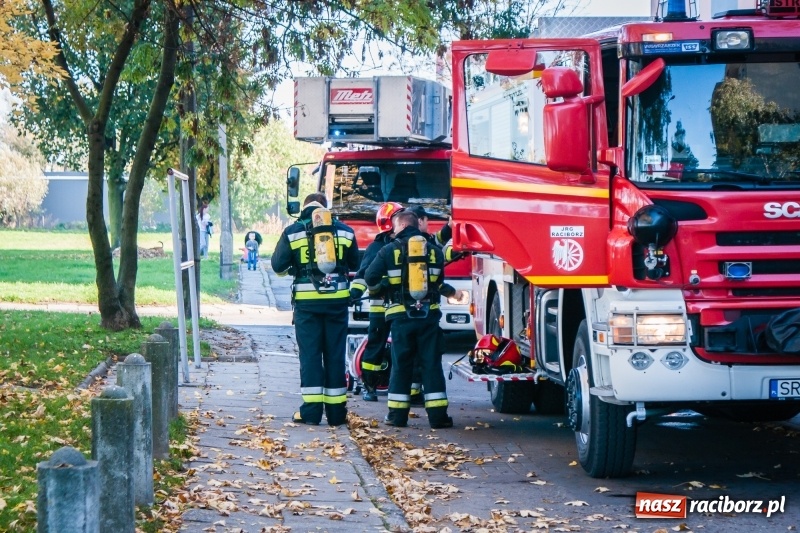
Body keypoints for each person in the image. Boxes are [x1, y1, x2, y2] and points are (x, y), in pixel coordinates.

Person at [365, 210, 461, 429]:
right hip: (429, 318)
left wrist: (383, 288)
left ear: (399, 226)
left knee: (401, 366)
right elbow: (437, 283)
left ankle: (397, 417)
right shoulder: (435, 252)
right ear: (417, 226)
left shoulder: (388, 250)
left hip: (400, 318)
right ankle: (438, 418)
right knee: (431, 365)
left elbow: (370, 276)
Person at [271, 193, 359, 426]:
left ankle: (310, 412)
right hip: (337, 303)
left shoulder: (293, 231)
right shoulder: (345, 231)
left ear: (305, 207)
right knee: (335, 354)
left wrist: (297, 268)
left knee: (310, 355)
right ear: (325, 208)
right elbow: (355, 265)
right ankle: (337, 414)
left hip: (307, 305)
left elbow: (277, 267)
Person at [349, 201, 404, 402]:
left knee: (404, 347)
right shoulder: (376, 247)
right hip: (381, 308)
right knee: (375, 347)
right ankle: (369, 386)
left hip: (399, 308)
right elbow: (363, 274)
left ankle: (410, 389)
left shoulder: (404, 244)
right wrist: (354, 293)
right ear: (391, 223)